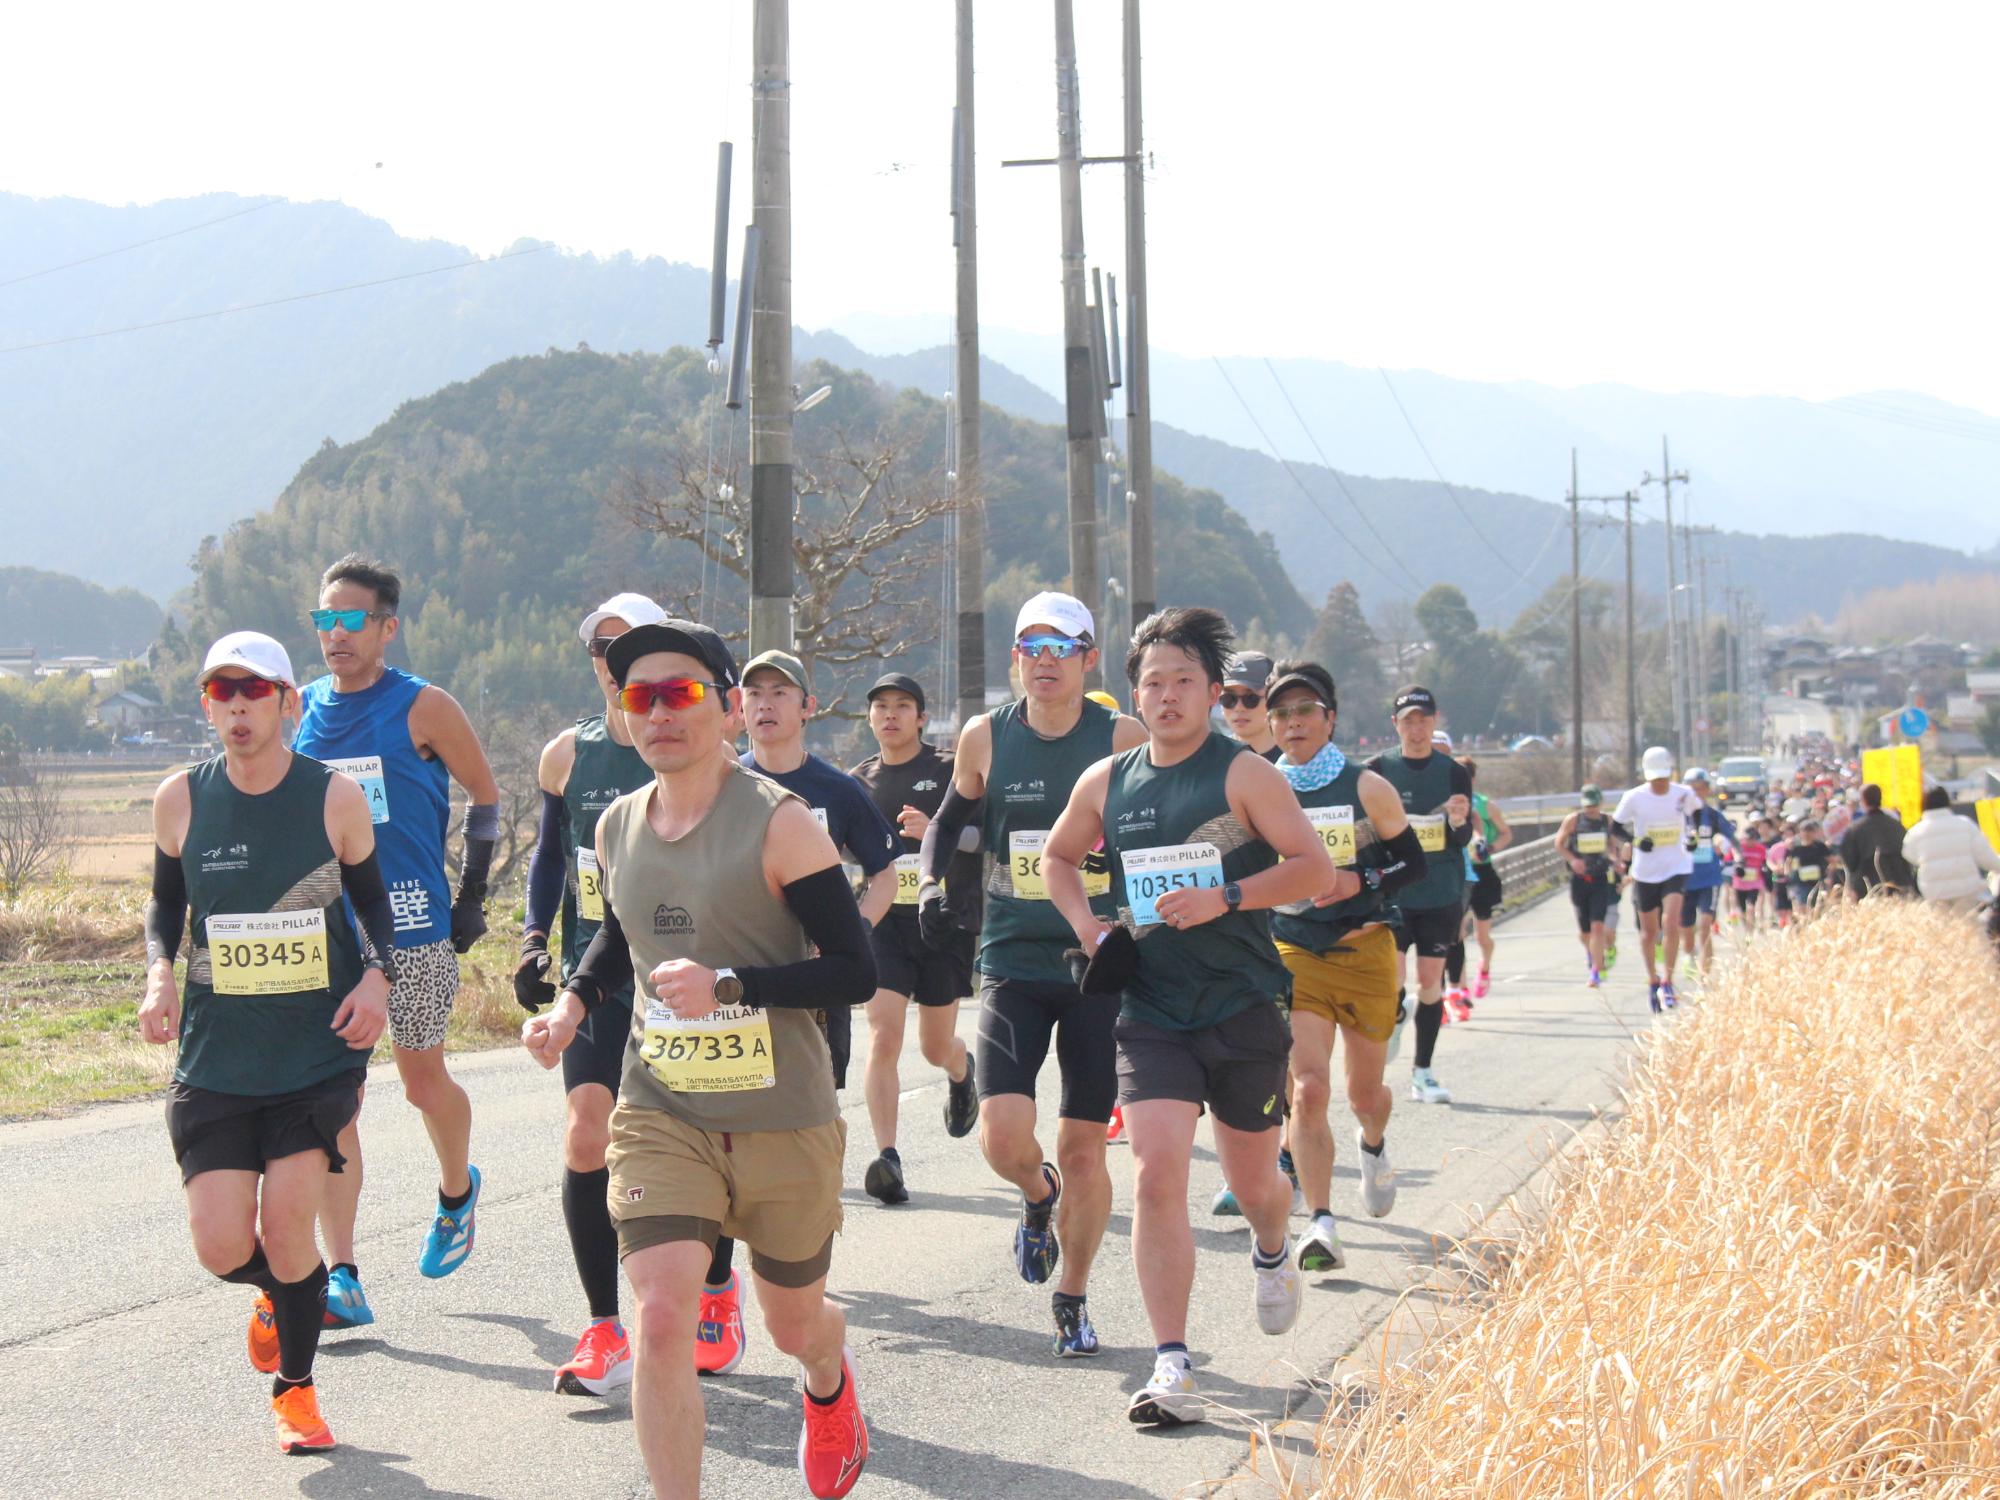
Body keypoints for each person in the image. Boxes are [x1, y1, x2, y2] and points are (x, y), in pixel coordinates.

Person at [521, 619, 874, 1500]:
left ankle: (827, 1381)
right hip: (662, 1109)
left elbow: (856, 971)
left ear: (722, 707)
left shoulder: (781, 824)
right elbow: (616, 933)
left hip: (780, 1113)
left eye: (679, 693)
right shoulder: (614, 826)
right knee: (663, 1311)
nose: (658, 714)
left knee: (794, 1323)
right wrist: (571, 1005)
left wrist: (731, 985)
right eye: (639, 697)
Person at [1042, 609, 1335, 1425]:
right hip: (1151, 1009)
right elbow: (1057, 858)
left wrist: (1227, 897)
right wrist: (1090, 928)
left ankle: (1273, 1249)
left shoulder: (1245, 775)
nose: (1166, 696)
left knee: (1252, 1186)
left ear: (1211, 692)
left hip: (1241, 1004)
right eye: (1152, 683)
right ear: (1133, 693)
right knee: (1155, 1172)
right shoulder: (1107, 781)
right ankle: (1171, 1363)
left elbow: (1312, 868)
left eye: (1182, 682)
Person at [140, 633, 395, 1453]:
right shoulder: (180, 798)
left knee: (289, 1230)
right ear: (207, 704)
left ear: (289, 701)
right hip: (217, 1057)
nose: (239, 706)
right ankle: (282, 1296)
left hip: (314, 1052)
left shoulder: (332, 798)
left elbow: (375, 907)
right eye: (223, 691)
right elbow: (163, 909)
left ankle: (297, 1390)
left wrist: (378, 979)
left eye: (256, 691)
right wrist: (159, 975)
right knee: (222, 1246)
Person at [916, 592, 1149, 1359]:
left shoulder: (1120, 736)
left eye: (1062, 645)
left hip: (1096, 965)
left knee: (1086, 1149)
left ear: (1088, 658)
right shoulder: (986, 736)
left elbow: (1158, 828)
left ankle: (1073, 1298)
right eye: (1030, 646)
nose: (1044, 659)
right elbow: (950, 821)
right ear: (1016, 660)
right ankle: (1035, 1195)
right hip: (1012, 958)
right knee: (1003, 1137)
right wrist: (929, 885)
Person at [293, 555, 499, 1322]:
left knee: (420, 1083)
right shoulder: (302, 707)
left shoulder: (424, 706)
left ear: (388, 627)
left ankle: (457, 1190)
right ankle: (341, 1275)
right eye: (325, 620)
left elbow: (485, 794)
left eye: (353, 620)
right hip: (329, 940)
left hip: (413, 932)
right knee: (334, 1107)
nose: (336, 635)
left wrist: (471, 895)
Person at [515, 593, 668, 1395]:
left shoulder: (682, 742)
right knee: (585, 1136)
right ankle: (606, 1329)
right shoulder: (565, 755)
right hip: (593, 976)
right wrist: (534, 938)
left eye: (631, 643)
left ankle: (714, 1288)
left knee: (693, 1145)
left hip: (682, 980)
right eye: (602, 647)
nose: (615, 658)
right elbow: (550, 859)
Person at [1261, 661, 1425, 1275]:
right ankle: (1321, 1222)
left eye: (1305, 711)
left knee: (1364, 1093)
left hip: (1365, 949)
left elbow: (1414, 863)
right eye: (1281, 713)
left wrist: (1363, 877)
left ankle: (1374, 1145)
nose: (1292, 723)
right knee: (1306, 1089)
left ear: (1329, 719)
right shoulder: (1259, 789)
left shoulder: (1366, 787)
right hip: (1296, 947)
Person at [848, 671, 980, 1205]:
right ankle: (888, 1156)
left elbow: (981, 838)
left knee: (932, 1047)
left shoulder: (950, 768)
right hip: (885, 922)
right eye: (881, 707)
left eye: (903, 706)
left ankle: (960, 1067)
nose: (891, 715)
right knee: (882, 1034)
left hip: (942, 920)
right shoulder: (858, 781)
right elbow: (843, 850)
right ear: (870, 717)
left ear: (921, 717)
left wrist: (936, 834)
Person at [1367, 688, 1476, 1103]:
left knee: (1430, 982)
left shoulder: (1454, 772)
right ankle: (1394, 1015)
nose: (1416, 728)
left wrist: (1458, 822)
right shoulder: (1377, 770)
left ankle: (1423, 1072)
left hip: (1440, 891)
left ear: (1434, 722)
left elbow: (1461, 837)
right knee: (1393, 979)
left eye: (1423, 720)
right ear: (1395, 725)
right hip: (1394, 895)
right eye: (1407, 720)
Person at [1611, 747, 1701, 1012]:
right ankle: (1652, 979)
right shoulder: (1634, 797)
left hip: (1676, 866)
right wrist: (1636, 841)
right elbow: (1616, 826)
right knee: (1649, 932)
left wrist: (1693, 835)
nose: (1659, 783)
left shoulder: (1683, 794)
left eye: (1663, 777)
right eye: (1654, 779)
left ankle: (1668, 981)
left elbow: (1697, 815)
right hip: (1645, 871)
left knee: (1670, 922)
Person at [1554, 784, 1626, 986]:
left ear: (1600, 803)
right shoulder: (1574, 821)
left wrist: (1616, 860)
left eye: (1594, 806)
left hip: (1600, 878)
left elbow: (1613, 846)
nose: (1591, 810)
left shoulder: (1607, 821)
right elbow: (1559, 843)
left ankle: (1596, 969)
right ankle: (1592, 953)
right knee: (1584, 932)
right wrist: (1572, 859)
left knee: (1597, 926)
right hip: (1579, 881)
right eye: (1587, 806)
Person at [1458, 757, 1513, 1000]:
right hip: (1456, 875)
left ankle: (1485, 968)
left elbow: (1505, 833)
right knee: (1456, 935)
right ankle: (1459, 986)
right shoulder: (1448, 804)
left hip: (1481, 873)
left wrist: (1489, 848)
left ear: (1473, 779)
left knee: (1482, 935)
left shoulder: (1484, 805)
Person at [1675, 769, 1739, 978]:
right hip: (1683, 878)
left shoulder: (1712, 816)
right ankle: (1689, 954)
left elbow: (1731, 836)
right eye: (1691, 790)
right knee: (1686, 928)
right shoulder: (1676, 815)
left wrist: (1736, 852)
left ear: (1707, 791)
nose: (1695, 793)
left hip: (1709, 878)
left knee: (1704, 926)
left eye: (1700, 789)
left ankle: (1704, 977)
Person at [1900, 786, 2000, 914]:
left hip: (1934, 891)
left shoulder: (1916, 832)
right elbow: (1986, 858)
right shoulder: (1965, 825)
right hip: (1966, 890)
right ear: (1948, 802)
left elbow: (1909, 855)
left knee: (1942, 929)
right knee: (1970, 929)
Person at [1840, 784, 1917, 898]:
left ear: (1864, 801)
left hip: (1868, 890)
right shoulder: (1896, 825)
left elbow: (1849, 860)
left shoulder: (1856, 829)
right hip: (1900, 885)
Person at [1218, 650, 1281, 761]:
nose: (1238, 708)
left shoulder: (1294, 761)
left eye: (1250, 699)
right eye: (1228, 699)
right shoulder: (1211, 761)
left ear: (1273, 699)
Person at [1786, 820, 1837, 914]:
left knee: (1818, 907)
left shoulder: (1820, 846)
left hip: (1819, 881)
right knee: (1802, 906)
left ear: (1814, 832)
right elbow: (1788, 862)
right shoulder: (1796, 847)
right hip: (1801, 882)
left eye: (1810, 831)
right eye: (1804, 831)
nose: (1807, 834)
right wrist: (1790, 876)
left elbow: (1832, 861)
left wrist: (1829, 875)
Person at [1729, 823, 1769, 934]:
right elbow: (1727, 860)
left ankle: (1750, 932)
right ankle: (1747, 927)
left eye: (1752, 839)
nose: (1750, 841)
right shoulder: (1738, 847)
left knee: (1751, 907)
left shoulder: (1761, 849)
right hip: (1739, 884)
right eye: (1747, 839)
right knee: (1742, 910)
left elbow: (1765, 862)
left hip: (1754, 883)